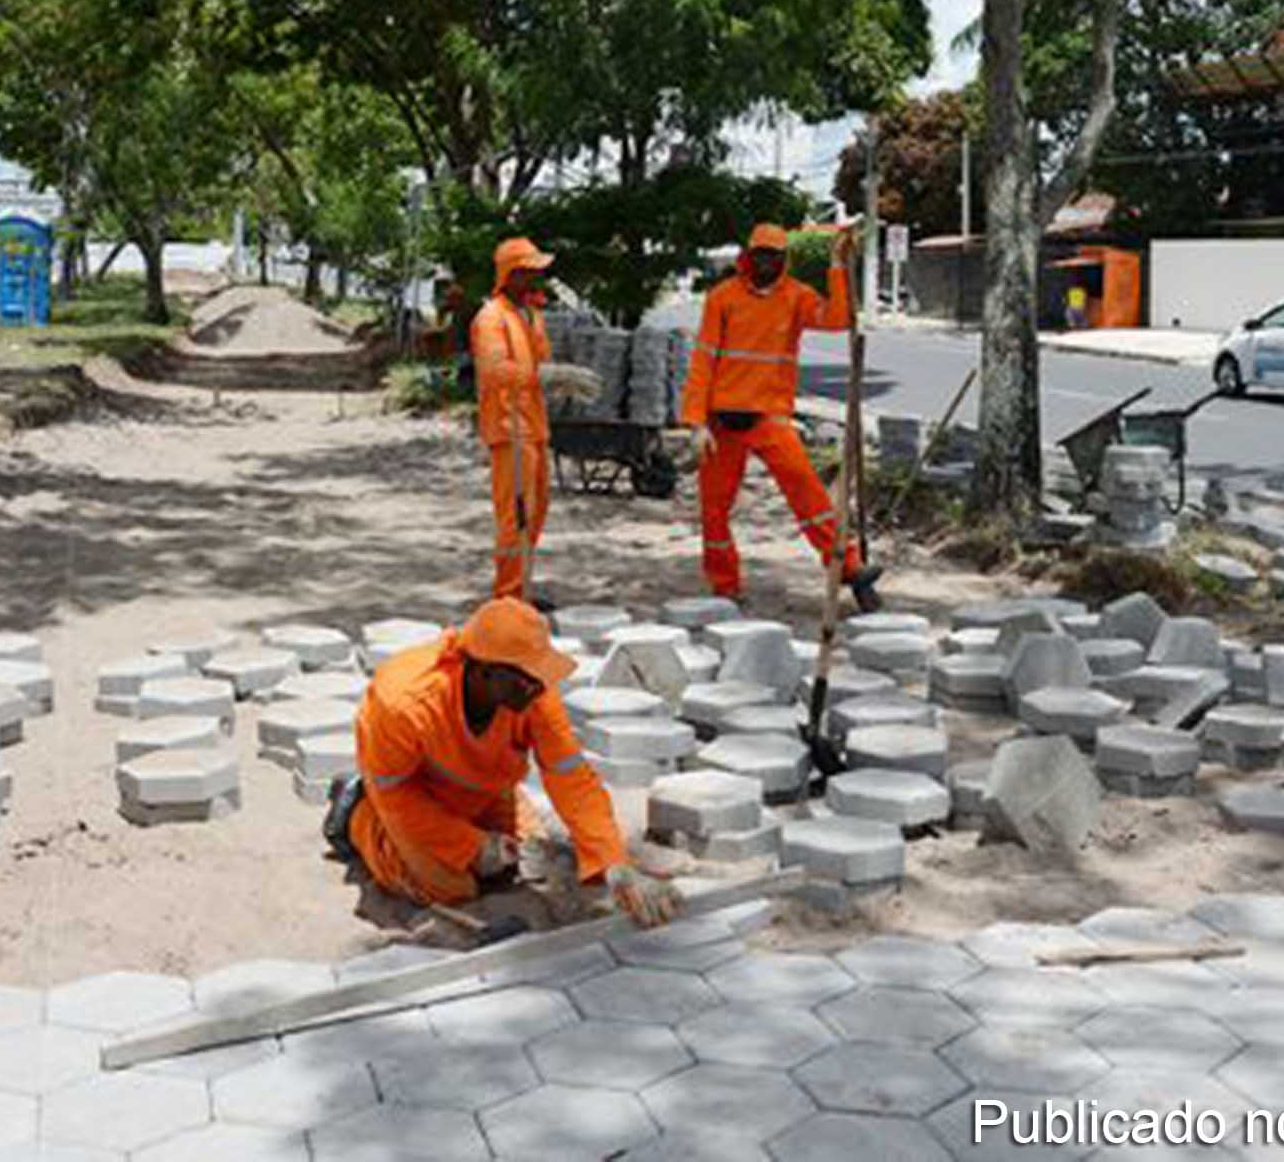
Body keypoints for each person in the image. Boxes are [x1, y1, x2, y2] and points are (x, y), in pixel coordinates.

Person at [335, 598, 681, 927]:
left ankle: (487, 825)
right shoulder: (404, 704)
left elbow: (571, 777)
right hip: (411, 799)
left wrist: (613, 863)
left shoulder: (534, 691)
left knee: (524, 859)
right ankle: (356, 815)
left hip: (485, 790)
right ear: (484, 672)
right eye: (527, 677)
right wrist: (469, 844)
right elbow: (396, 795)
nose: (538, 687)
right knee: (449, 888)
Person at [682, 223, 882, 611]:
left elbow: (838, 318)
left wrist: (838, 266)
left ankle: (849, 567)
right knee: (714, 509)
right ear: (748, 255)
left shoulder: (796, 297)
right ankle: (725, 585)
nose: (766, 262)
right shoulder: (723, 298)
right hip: (721, 422)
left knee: (809, 495)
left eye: (773, 255)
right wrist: (696, 422)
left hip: (769, 416)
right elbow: (703, 360)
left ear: (783, 259)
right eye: (760, 254)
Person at [471, 238, 554, 601]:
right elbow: (495, 371)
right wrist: (542, 376)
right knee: (515, 517)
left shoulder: (529, 314)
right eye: (531, 272)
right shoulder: (491, 318)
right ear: (512, 274)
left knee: (534, 515)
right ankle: (508, 596)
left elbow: (540, 359)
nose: (538, 278)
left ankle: (522, 587)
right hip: (509, 429)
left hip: (533, 426)